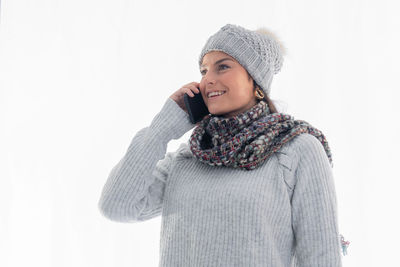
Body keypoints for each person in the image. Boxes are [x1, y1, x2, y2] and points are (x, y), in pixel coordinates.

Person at [98, 23, 349, 267]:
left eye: (223, 67)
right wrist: (161, 130)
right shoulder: (189, 158)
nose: (208, 80)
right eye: (204, 71)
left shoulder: (296, 149)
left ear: (256, 81)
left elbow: (321, 257)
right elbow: (116, 206)